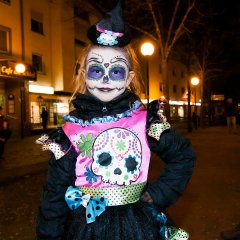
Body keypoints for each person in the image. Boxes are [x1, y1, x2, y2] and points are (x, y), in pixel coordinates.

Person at [36, 2, 196, 239]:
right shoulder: (71, 131)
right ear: (83, 74)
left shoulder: (145, 122)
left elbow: (182, 155)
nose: (106, 79)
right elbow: (54, 193)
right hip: (86, 228)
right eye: (96, 70)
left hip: (138, 225)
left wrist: (160, 193)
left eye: (117, 71)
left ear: (129, 77)